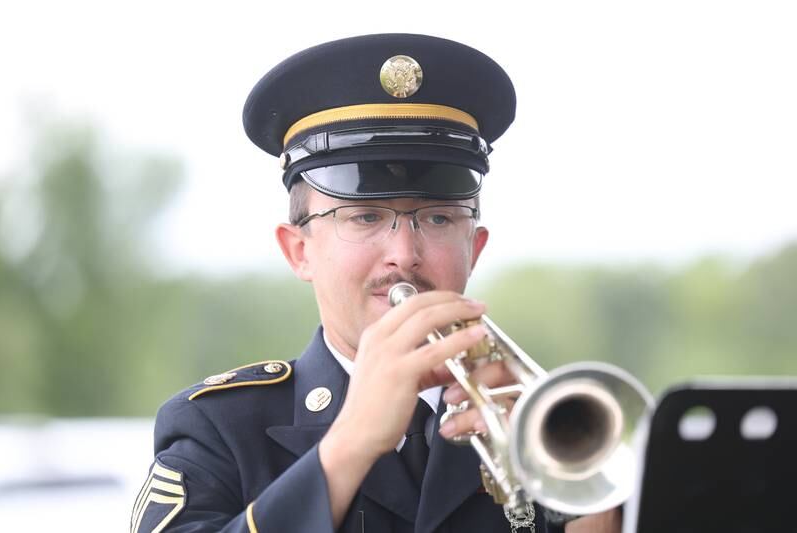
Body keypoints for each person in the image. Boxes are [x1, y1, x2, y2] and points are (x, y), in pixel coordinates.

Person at [131, 33, 622, 533]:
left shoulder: (545, 421)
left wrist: (583, 490)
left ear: (474, 248)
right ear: (299, 251)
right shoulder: (218, 429)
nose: (404, 256)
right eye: (364, 217)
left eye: (437, 219)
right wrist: (351, 443)